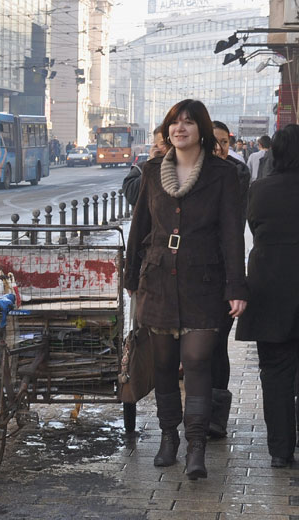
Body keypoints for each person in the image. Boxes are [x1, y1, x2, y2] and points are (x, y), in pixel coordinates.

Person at [124, 99, 247, 480]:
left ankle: (196, 446)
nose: (180, 129)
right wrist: (131, 278)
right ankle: (168, 438)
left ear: (202, 130)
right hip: (158, 281)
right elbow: (140, 227)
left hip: (204, 282)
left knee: (196, 361)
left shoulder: (223, 174)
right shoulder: (151, 172)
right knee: (163, 364)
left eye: (189, 123)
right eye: (175, 123)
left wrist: (236, 286)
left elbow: (232, 234)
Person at [235, 124, 299, 468]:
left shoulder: (259, 189)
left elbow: (254, 228)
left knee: (274, 371)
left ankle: (280, 451)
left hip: (269, 285)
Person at [202, 121, 250, 439]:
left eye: (224, 142)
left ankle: (216, 416)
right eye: (214, 141)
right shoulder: (187, 172)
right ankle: (195, 413)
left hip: (223, 273)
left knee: (217, 345)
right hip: (194, 276)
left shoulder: (236, 173)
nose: (219, 147)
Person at [122, 125, 169, 207]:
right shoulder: (140, 169)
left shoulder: (184, 167)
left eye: (170, 142)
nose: (169, 147)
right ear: (155, 146)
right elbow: (132, 196)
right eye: (164, 144)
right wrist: (152, 165)